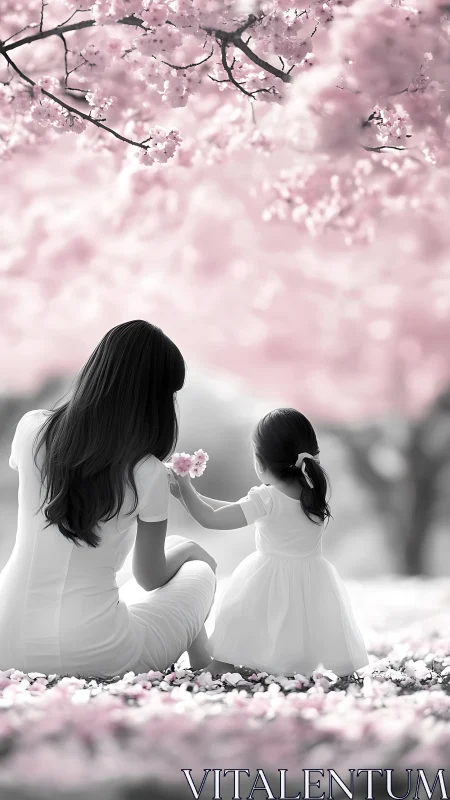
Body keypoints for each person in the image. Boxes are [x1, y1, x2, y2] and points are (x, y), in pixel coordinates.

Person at [2, 320, 216, 678]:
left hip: (7, 640)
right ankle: (205, 663)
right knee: (198, 570)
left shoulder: (31, 429)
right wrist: (194, 550)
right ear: (155, 400)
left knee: (158, 562)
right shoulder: (147, 471)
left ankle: (205, 660)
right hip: (98, 652)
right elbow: (149, 576)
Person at [170, 408, 369, 678]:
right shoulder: (312, 491)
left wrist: (185, 488)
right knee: (305, 625)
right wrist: (188, 496)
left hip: (268, 577)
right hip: (311, 578)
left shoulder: (266, 498)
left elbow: (211, 518)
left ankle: (223, 664)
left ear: (262, 462)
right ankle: (298, 668)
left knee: (240, 614)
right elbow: (232, 509)